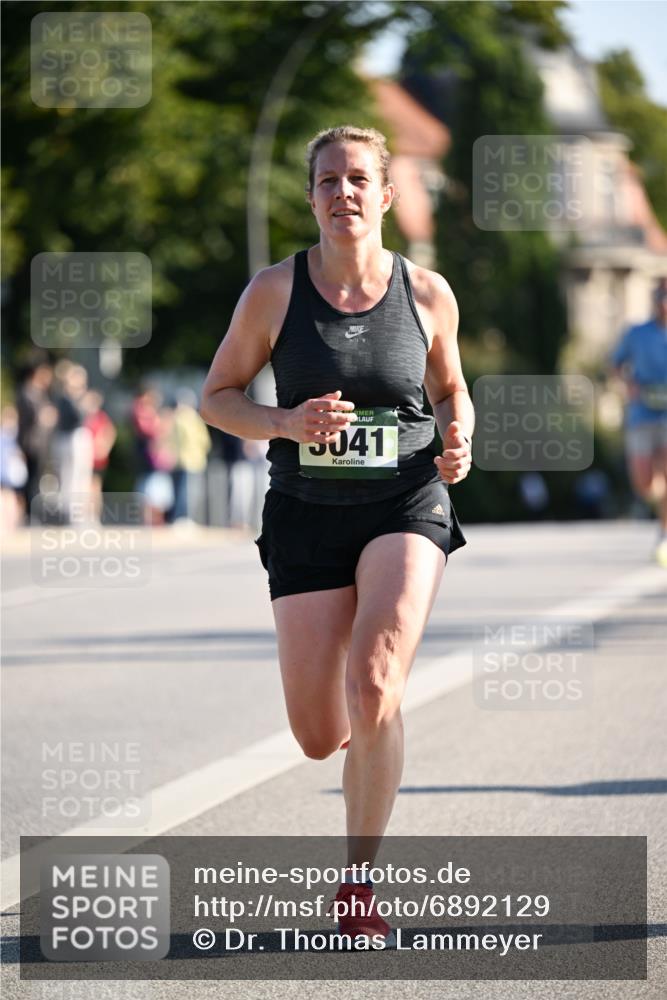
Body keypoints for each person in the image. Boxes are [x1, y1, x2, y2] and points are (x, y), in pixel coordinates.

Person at [200, 125, 473, 948]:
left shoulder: (426, 293)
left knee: (378, 678)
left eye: (358, 179)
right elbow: (217, 397)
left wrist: (460, 434)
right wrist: (286, 419)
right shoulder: (274, 293)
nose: (342, 194)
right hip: (305, 514)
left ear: (385, 195)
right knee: (320, 736)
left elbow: (453, 389)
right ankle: (360, 732)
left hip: (405, 501)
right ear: (311, 195)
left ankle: (357, 881)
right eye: (327, 181)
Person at [610, 277, 667, 566]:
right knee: (645, 483)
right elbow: (615, 364)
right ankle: (658, 499)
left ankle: (665, 533)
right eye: (662, 297)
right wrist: (628, 384)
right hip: (642, 413)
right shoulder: (637, 333)